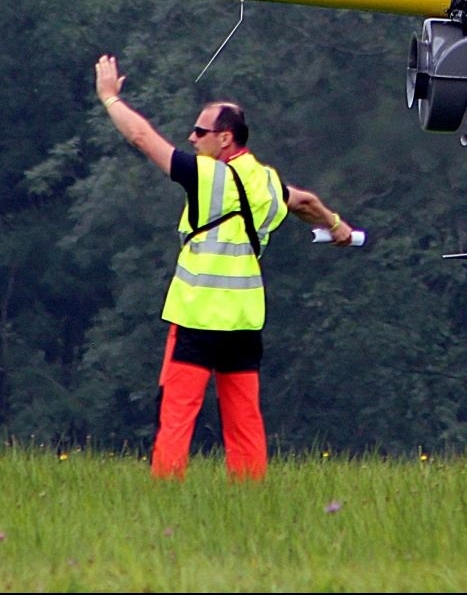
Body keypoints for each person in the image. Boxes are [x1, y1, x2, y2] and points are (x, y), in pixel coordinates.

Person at [93, 53, 355, 481]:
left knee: (177, 413)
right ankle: (250, 492)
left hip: (197, 316)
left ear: (225, 139)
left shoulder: (206, 177)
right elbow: (303, 201)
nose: (192, 139)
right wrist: (337, 225)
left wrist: (109, 99)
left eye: (200, 131)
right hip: (243, 321)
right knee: (244, 417)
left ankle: (166, 492)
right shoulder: (267, 182)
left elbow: (142, 137)